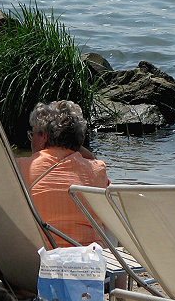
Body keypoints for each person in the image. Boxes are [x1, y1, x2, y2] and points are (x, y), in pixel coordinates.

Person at [16, 100, 109, 247]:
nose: (31, 139)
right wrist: (82, 151)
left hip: (38, 256)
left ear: (44, 137)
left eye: (32, 134)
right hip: (87, 259)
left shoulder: (21, 167)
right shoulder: (97, 169)